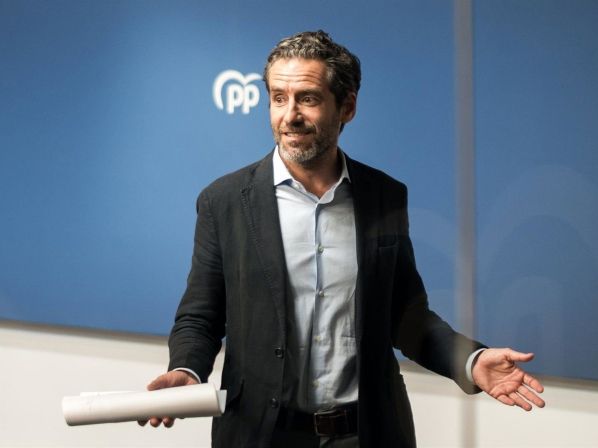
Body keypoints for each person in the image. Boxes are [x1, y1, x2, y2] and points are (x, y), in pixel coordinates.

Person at [140, 30, 545, 447]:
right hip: (261, 434)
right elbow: (201, 316)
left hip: (367, 433)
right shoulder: (224, 201)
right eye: (278, 98)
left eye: (307, 99)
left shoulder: (384, 195)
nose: (290, 115)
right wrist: (186, 369)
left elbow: (406, 316)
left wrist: (470, 361)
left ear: (347, 107)